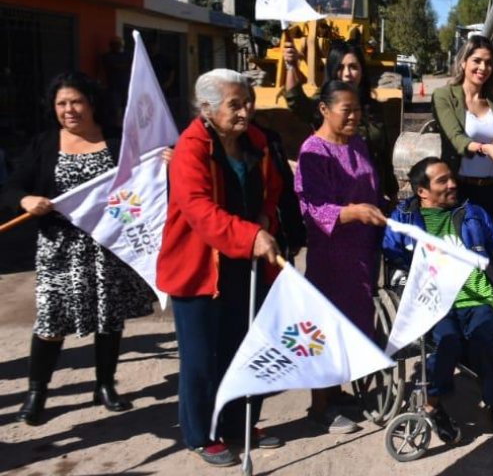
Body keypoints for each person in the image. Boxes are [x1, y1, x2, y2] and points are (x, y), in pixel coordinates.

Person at [3, 73, 155, 427]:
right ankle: (36, 392)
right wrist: (25, 199)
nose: (69, 110)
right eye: (61, 104)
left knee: (108, 317)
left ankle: (104, 385)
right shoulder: (44, 143)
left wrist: (160, 162)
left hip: (107, 246)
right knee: (51, 320)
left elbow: (142, 181)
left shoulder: (116, 142)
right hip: (59, 249)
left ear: (91, 104)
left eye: (76, 102)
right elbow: (12, 186)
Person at [158, 69, 284, 466]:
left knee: (244, 350)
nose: (246, 110)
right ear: (208, 108)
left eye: (248, 101)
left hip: (245, 267)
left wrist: (265, 218)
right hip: (199, 268)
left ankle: (239, 423)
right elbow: (199, 210)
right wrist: (250, 236)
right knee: (200, 359)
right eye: (236, 104)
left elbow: (273, 189)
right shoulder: (190, 149)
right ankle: (200, 434)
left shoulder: (256, 142)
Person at [382, 156, 493, 438]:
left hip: (475, 294)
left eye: (452, 178)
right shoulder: (403, 219)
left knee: (481, 339)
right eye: (442, 180)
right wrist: (404, 279)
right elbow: (393, 255)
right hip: (433, 300)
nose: (453, 184)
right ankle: (433, 405)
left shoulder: (472, 213)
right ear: (422, 191)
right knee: (448, 341)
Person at [294, 80, 386, 435]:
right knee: (326, 326)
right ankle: (319, 406)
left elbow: (371, 188)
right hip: (332, 254)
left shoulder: (357, 143)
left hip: (362, 250)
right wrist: (352, 213)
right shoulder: (313, 151)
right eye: (346, 110)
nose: (353, 117)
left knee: (352, 325)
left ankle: (336, 393)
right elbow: (313, 207)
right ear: (324, 109)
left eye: (357, 110)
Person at [284, 41, 398, 200]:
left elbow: (384, 153)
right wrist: (291, 66)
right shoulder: (324, 105)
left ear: (362, 71)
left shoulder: (373, 108)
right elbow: (296, 102)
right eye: (340, 67)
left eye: (353, 67)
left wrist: (392, 192)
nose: (347, 74)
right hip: (338, 200)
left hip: (372, 197)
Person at [432, 36, 493, 224]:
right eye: (477, 61)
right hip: (459, 190)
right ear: (463, 62)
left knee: (488, 250)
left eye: (489, 63)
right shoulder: (444, 97)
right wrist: (485, 148)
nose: (483, 68)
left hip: (491, 191)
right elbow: (455, 138)